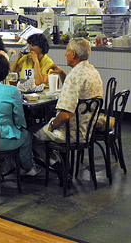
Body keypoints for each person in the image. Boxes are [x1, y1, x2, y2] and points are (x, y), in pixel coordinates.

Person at [33, 38, 103, 167]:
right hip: (87, 130)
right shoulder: (93, 71)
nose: (65, 54)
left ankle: (57, 166)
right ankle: (62, 164)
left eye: (67, 51)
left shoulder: (74, 76)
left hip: (70, 134)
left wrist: (51, 126)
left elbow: (66, 115)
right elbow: (76, 90)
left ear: (73, 54)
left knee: (32, 135)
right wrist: (62, 73)